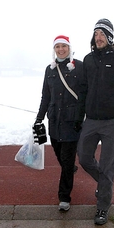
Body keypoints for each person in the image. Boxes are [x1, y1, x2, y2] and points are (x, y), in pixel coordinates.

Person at [74, 19, 114, 225]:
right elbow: (83, 91)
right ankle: (103, 184)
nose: (98, 38)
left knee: (108, 166)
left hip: (112, 122)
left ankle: (102, 207)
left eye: (102, 34)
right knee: (83, 157)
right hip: (91, 120)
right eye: (95, 34)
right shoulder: (88, 60)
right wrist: (79, 117)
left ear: (109, 37)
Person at [35, 35, 83, 212]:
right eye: (57, 47)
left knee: (67, 159)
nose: (61, 49)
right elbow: (45, 96)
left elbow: (85, 93)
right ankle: (69, 169)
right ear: (54, 50)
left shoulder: (79, 66)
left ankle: (64, 197)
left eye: (64, 46)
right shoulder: (50, 70)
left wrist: (80, 116)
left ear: (69, 48)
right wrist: (39, 118)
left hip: (72, 121)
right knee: (59, 154)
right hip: (54, 121)